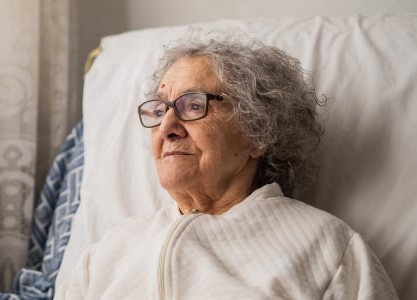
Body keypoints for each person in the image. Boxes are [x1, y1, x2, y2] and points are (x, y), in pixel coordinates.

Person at [55, 34, 397, 299]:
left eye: (193, 105)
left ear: (257, 132)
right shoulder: (107, 254)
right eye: (160, 110)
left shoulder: (328, 249)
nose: (166, 127)